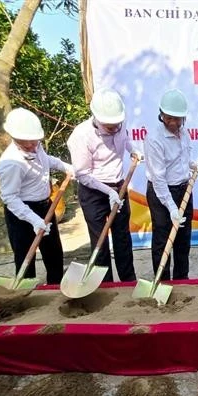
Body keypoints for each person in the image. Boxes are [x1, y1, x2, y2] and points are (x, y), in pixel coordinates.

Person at [67, 88, 140, 283]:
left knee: (122, 237)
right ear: (96, 118)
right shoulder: (81, 136)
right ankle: (105, 285)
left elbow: (125, 139)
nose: (115, 128)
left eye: (117, 124)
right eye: (110, 126)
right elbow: (83, 174)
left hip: (119, 186)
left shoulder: (119, 122)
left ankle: (128, 281)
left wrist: (133, 150)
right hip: (94, 191)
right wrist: (108, 191)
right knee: (99, 239)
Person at [0, 108, 75, 285]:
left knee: (54, 252)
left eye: (35, 142)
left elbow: (47, 159)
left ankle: (55, 288)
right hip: (22, 213)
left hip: (45, 206)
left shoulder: (35, 145)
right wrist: (34, 220)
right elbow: (10, 198)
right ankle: (26, 294)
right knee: (26, 256)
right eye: (27, 144)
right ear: (14, 138)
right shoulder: (11, 164)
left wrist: (66, 167)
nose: (33, 147)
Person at [144, 89, 194, 281]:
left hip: (184, 190)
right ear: (161, 115)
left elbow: (180, 159)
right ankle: (162, 281)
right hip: (161, 193)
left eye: (177, 119)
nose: (173, 123)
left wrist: (191, 165)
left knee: (183, 240)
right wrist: (172, 208)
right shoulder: (154, 139)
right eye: (168, 118)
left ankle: (182, 280)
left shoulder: (184, 132)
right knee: (163, 240)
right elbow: (159, 178)